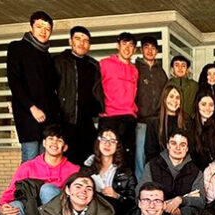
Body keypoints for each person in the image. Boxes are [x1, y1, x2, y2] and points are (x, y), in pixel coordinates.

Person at [0, 124, 81, 215]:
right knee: (14, 207)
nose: (54, 142)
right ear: (44, 143)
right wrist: (1, 205)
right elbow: (12, 190)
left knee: (47, 189)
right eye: (50, 138)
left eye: (59, 140)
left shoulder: (74, 170)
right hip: (32, 211)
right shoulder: (27, 167)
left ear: (65, 147)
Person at [6, 11, 60, 162]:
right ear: (31, 28)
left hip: (47, 118)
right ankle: (25, 187)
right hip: (28, 115)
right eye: (39, 26)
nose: (43, 31)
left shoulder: (47, 56)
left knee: (45, 161)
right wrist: (32, 107)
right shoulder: (17, 48)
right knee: (30, 159)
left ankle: (41, 187)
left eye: (47, 28)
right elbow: (14, 82)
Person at [54, 26, 104, 164]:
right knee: (67, 163)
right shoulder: (59, 62)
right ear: (70, 41)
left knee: (89, 162)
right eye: (78, 39)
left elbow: (99, 93)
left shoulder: (94, 65)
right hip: (66, 122)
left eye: (85, 40)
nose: (82, 43)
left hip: (87, 124)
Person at [139, 129, 204, 215]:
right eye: (173, 143)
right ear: (168, 146)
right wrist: (163, 205)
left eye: (182, 145)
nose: (178, 148)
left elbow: (201, 200)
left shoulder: (195, 171)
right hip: (154, 214)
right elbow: (140, 193)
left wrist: (180, 200)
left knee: (190, 212)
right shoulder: (152, 165)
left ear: (187, 149)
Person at [99, 32, 139, 164]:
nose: (127, 48)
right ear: (118, 46)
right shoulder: (105, 64)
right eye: (124, 44)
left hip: (128, 116)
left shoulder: (134, 70)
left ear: (134, 50)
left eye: (131, 45)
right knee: (107, 156)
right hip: (109, 117)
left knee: (127, 156)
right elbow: (95, 89)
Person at [86, 127, 138, 215]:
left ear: (118, 145)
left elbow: (133, 202)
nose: (107, 144)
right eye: (104, 139)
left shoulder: (126, 171)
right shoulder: (87, 168)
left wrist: (116, 196)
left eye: (112, 141)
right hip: (91, 214)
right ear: (98, 143)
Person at [135, 35, 168, 177]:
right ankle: (141, 186)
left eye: (153, 48)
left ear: (157, 51)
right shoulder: (135, 69)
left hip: (158, 121)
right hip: (141, 120)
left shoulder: (161, 72)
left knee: (157, 154)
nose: (149, 51)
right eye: (146, 47)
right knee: (140, 156)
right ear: (141, 50)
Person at [144, 84, 186, 165]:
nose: (174, 100)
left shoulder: (186, 121)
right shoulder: (153, 121)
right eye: (171, 96)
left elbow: (189, 150)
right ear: (164, 99)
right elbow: (150, 152)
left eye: (177, 98)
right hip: (159, 166)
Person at [188, 93, 215, 168]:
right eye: (203, 104)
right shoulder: (190, 126)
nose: (207, 108)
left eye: (211, 105)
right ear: (197, 106)